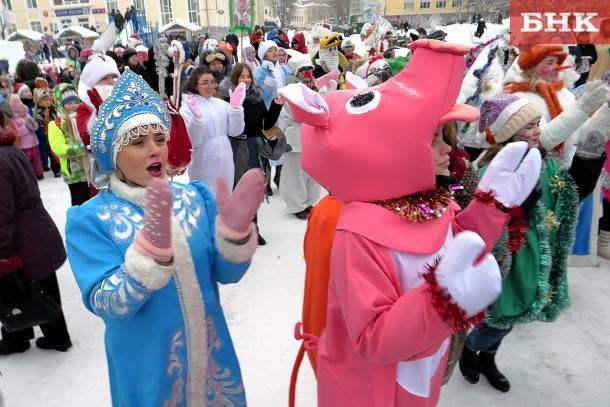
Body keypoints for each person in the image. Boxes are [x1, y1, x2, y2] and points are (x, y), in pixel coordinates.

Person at [278, 39, 541, 407]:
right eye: (433, 138)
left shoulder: (431, 203)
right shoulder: (359, 234)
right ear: (386, 153)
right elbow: (373, 337)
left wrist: (491, 206)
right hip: (374, 391)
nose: (447, 148)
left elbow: (458, 245)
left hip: (421, 373)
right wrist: (441, 300)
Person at [66, 69, 265, 405]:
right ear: (114, 156)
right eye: (138, 143)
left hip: (213, 363)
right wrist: (148, 258)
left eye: (159, 139)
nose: (155, 150)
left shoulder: (196, 197)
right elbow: (107, 304)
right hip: (148, 371)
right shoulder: (89, 220)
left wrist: (235, 235)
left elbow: (228, 275)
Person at [459, 93, 606, 393]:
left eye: (537, 123)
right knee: (501, 313)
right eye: (528, 126)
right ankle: (470, 348)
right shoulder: (491, 170)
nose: (537, 130)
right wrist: (515, 214)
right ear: (508, 133)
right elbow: (480, 222)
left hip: (532, 252)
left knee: (516, 312)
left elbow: (566, 194)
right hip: (506, 258)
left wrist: (588, 160)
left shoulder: (545, 162)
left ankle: (487, 356)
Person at [0, 126, 71, 355]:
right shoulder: (10, 149)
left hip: (21, 235)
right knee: (44, 282)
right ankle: (55, 335)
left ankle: (17, 337)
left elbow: (2, 211)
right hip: (36, 227)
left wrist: (2, 249)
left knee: (14, 287)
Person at [218, 63, 285, 244]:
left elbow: (267, 124)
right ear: (234, 79)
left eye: (248, 77)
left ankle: (253, 228)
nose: (246, 80)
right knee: (239, 189)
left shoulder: (256, 97)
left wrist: (277, 106)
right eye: (242, 77)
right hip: (236, 147)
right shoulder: (226, 99)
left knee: (253, 189)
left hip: (254, 146)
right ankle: (237, 230)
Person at [180, 66, 246, 195]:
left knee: (225, 198)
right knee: (206, 199)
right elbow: (192, 142)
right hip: (203, 163)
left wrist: (236, 110)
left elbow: (235, 131)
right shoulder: (188, 108)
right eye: (205, 82)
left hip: (225, 160)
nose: (210, 86)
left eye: (212, 82)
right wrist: (197, 121)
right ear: (195, 86)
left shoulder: (220, 104)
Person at [277, 53, 322, 219]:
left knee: (313, 172)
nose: (307, 73)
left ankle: (309, 201)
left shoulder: (316, 86)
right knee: (295, 173)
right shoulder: (291, 90)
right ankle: (296, 205)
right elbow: (294, 112)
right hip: (296, 136)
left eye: (309, 69)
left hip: (314, 136)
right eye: (303, 70)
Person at [48, 85, 89, 206]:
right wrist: (80, 149)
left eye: (76, 102)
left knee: (92, 200)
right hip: (74, 172)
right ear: (61, 104)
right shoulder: (56, 124)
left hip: (90, 169)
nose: (74, 105)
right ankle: (79, 223)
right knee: (79, 201)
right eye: (69, 103)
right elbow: (58, 148)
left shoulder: (85, 118)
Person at [9, 95, 42, 179]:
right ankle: (31, 175)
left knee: (37, 159)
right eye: (20, 108)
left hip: (34, 143)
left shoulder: (27, 115)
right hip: (24, 145)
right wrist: (27, 127)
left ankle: (39, 173)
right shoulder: (14, 120)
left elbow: (35, 127)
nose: (22, 109)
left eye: (23, 107)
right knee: (27, 161)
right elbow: (17, 133)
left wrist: (34, 125)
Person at [254, 40, 290, 109]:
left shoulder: (282, 69)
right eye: (270, 51)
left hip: (283, 108)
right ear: (264, 54)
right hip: (268, 109)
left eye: (276, 50)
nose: (274, 52)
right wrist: (269, 77)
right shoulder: (259, 70)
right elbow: (261, 94)